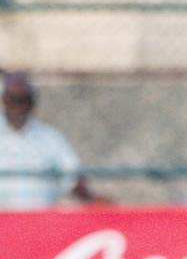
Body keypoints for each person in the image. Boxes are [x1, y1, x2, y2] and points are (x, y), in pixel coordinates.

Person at [0, 72, 108, 209]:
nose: (18, 106)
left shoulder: (50, 138)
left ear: (32, 103)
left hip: (40, 223)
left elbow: (71, 177)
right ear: (3, 101)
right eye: (12, 99)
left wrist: (92, 198)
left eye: (23, 100)